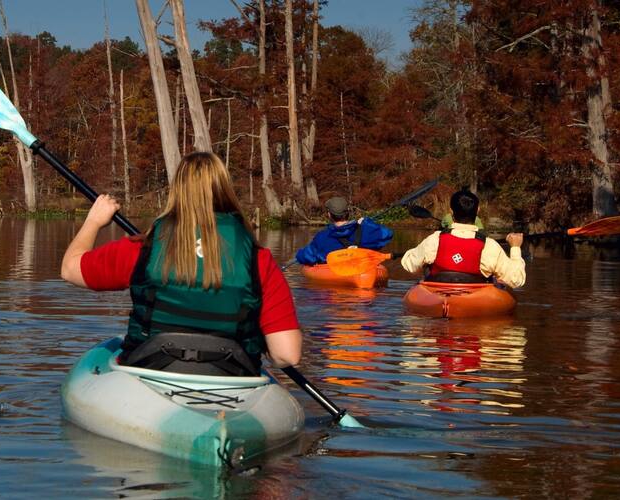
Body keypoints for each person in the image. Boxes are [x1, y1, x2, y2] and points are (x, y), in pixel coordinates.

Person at [60, 152, 302, 376]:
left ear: (177, 192)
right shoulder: (258, 260)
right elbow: (286, 355)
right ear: (225, 191)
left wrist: (93, 221)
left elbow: (70, 269)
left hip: (150, 366)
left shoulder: (142, 249)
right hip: (231, 374)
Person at [401, 189, 525, 287]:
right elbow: (516, 280)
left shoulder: (435, 240)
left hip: (437, 293)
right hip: (475, 299)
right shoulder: (490, 245)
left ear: (451, 212)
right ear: (477, 210)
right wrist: (515, 248)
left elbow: (409, 265)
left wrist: (419, 257)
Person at [294, 196, 393, 265]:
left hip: (338, 274)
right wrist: (367, 223)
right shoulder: (366, 230)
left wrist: (299, 255)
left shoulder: (322, 237)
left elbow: (306, 256)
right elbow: (388, 234)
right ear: (348, 213)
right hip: (363, 270)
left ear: (329, 215)